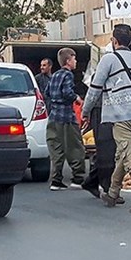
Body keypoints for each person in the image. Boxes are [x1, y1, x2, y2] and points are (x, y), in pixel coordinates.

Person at [82, 23, 131, 215]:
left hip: (119, 117)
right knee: (123, 155)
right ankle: (113, 193)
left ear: (114, 41)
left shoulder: (108, 60)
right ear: (130, 41)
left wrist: (85, 110)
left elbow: (95, 89)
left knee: (130, 157)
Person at [46, 48, 86, 191]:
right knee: (75, 147)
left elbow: (47, 92)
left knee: (56, 149)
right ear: (68, 61)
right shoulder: (68, 75)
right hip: (67, 117)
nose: (75, 62)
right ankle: (78, 178)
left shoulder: (55, 75)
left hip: (53, 117)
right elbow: (67, 92)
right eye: (74, 59)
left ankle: (56, 181)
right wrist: (77, 98)